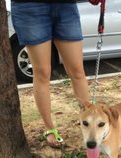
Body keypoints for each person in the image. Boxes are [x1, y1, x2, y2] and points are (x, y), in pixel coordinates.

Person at [11, 0, 93, 148]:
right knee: (42, 73)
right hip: (29, 6)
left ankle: (89, 122)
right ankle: (50, 128)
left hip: (65, 5)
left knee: (78, 71)